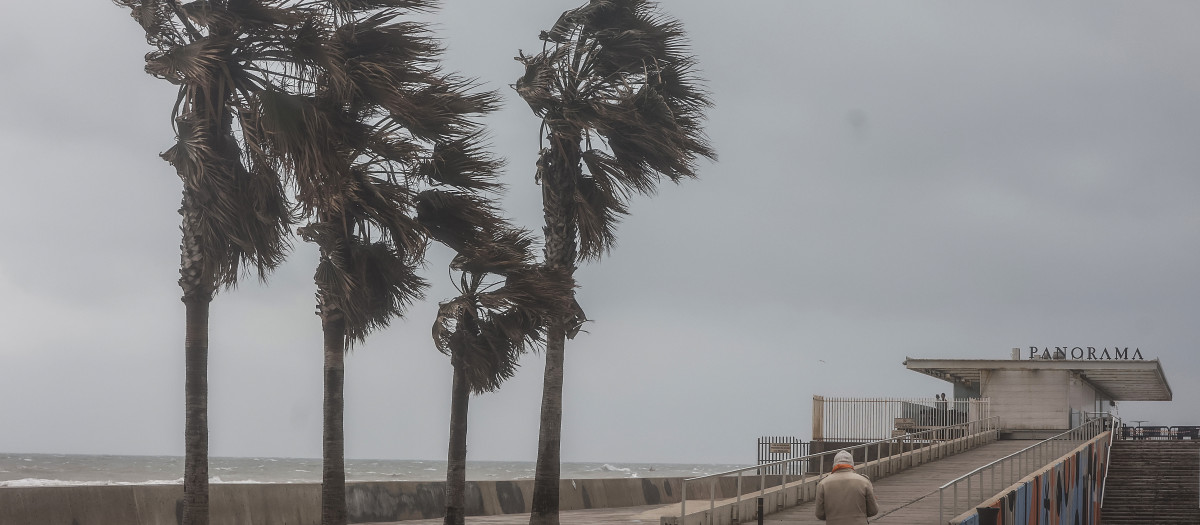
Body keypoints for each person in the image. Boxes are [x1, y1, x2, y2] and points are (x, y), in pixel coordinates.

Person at [815, 450, 879, 525]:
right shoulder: (864, 481)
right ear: (852, 464)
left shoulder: (823, 484)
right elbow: (873, 511)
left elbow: (819, 514)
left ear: (834, 464)